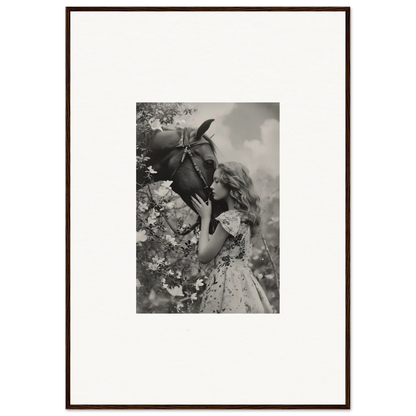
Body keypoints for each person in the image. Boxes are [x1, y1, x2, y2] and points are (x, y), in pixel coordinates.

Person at [191, 161, 274, 313]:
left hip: (225, 283)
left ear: (231, 184)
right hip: (244, 282)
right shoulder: (245, 217)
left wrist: (205, 218)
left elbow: (203, 257)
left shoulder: (229, 219)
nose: (211, 186)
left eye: (217, 181)